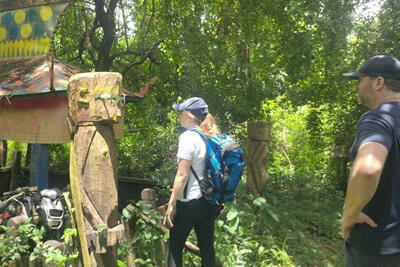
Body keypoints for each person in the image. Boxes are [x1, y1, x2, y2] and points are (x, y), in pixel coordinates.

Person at [341, 55, 400, 266]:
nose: (356, 85)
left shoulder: (379, 118)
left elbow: (367, 169)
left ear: (378, 82)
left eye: (360, 79)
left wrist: (350, 214)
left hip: (379, 249)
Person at [163, 97, 221, 267]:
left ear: (190, 116)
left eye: (181, 113)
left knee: (174, 248)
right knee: (207, 250)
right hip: (209, 202)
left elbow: (182, 175)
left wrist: (171, 203)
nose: (179, 116)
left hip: (191, 203)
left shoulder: (188, 137)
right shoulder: (211, 136)